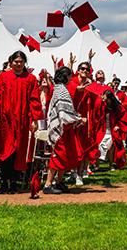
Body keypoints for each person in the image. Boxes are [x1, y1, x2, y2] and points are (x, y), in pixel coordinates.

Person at [0, 51, 43, 194]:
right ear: (10, 62)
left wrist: (35, 120)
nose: (18, 64)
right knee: (5, 151)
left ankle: (14, 183)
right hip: (5, 120)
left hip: (22, 121)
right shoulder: (3, 77)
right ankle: (3, 183)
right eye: (16, 61)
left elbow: (34, 100)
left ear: (25, 63)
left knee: (18, 151)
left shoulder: (30, 79)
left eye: (21, 62)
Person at [44, 65, 82, 195]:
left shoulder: (61, 88)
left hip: (65, 128)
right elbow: (62, 112)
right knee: (57, 156)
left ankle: (59, 182)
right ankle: (48, 184)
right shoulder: (60, 90)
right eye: (70, 75)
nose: (72, 78)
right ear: (65, 76)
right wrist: (78, 119)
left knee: (65, 156)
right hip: (61, 128)